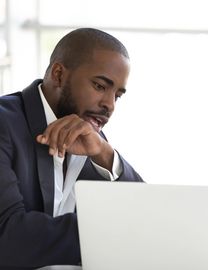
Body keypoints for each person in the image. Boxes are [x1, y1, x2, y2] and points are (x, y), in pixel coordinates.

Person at [0, 28, 143, 269]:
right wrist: (113, 230)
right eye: (99, 86)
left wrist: (105, 154)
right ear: (58, 74)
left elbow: (146, 212)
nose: (109, 105)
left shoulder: (90, 138)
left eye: (117, 95)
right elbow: (8, 239)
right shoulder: (5, 124)